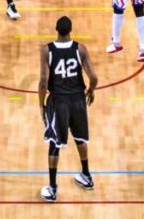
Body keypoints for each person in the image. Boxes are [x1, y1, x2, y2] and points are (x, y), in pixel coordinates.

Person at [38, 15, 97, 202]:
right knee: (79, 138)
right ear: (70, 30)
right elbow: (94, 77)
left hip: (59, 101)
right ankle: (86, 176)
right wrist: (91, 91)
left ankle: (53, 188)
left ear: (56, 29)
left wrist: (41, 103)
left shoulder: (47, 50)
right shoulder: (80, 49)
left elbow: (43, 82)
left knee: (54, 143)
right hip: (78, 99)